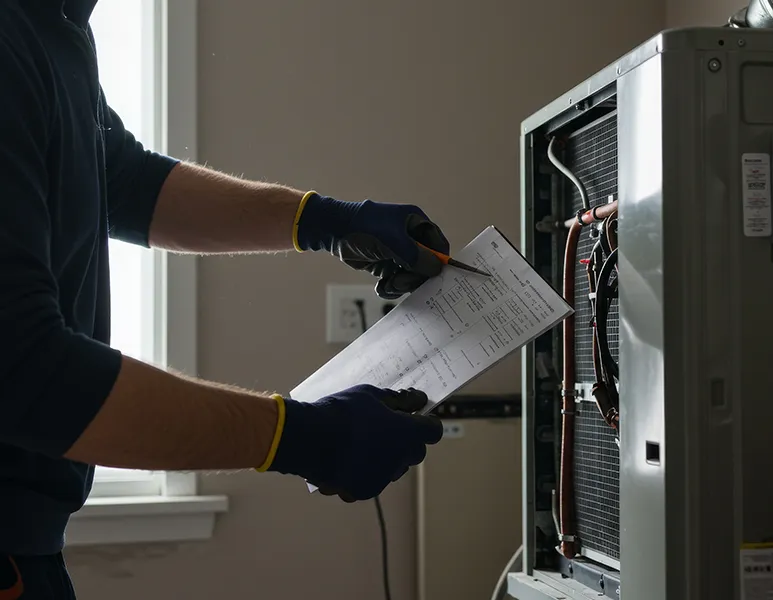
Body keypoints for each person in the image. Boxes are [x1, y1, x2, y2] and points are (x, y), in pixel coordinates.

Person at [0, 0, 448, 597]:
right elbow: (24, 372)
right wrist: (305, 437)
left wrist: (328, 221)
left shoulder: (53, 24)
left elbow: (124, 179)